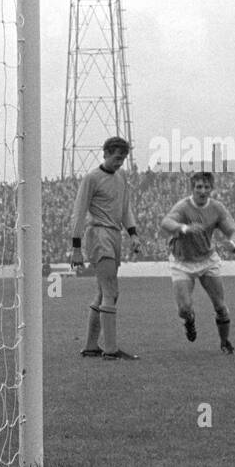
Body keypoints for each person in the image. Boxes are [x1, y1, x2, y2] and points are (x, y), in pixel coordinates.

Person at [69, 135, 141, 360]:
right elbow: (79, 211)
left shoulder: (121, 177)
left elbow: (125, 207)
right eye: (117, 157)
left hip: (114, 234)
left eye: (123, 158)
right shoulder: (92, 178)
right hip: (99, 234)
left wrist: (133, 234)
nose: (120, 162)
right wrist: (76, 248)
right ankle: (111, 350)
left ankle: (91, 346)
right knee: (111, 290)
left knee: (103, 292)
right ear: (106, 154)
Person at [159, 171, 235, 354]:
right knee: (184, 309)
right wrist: (183, 228)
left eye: (206, 187)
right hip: (182, 261)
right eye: (199, 187)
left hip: (207, 260)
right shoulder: (183, 207)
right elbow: (166, 222)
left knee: (220, 306)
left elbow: (233, 230)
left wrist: (233, 243)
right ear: (193, 188)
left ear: (211, 189)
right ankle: (189, 320)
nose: (202, 191)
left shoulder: (217, 208)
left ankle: (224, 342)